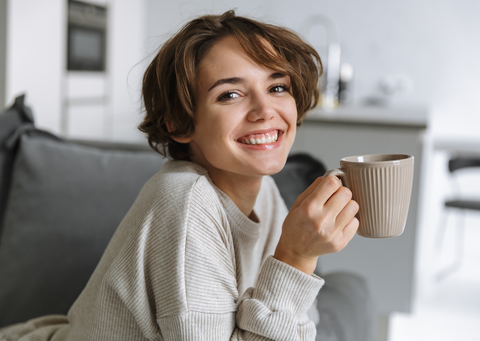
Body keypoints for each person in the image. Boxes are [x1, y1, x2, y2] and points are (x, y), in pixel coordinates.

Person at [0, 10, 359, 341]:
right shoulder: (185, 202)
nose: (265, 110)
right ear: (179, 123)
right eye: (230, 94)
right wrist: (295, 257)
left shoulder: (266, 194)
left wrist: (298, 258)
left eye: (277, 87)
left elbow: (296, 327)